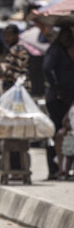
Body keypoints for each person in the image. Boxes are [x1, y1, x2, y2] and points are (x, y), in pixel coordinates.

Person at [43, 26, 74, 180]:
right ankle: (54, 169)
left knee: (66, 133)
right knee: (57, 133)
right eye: (67, 36)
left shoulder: (66, 50)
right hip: (57, 99)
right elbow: (47, 69)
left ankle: (63, 168)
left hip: (66, 99)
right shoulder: (55, 49)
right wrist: (58, 88)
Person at [1, 24, 32, 92]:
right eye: (5, 36)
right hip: (17, 88)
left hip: (17, 89)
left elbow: (14, 73)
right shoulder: (14, 49)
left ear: (16, 35)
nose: (6, 38)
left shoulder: (17, 51)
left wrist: (4, 68)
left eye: (9, 36)